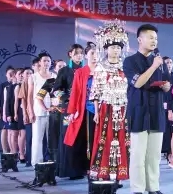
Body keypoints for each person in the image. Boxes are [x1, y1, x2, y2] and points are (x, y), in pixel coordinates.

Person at [123, 23, 171, 194]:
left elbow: (167, 84)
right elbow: (137, 83)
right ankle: (137, 189)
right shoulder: (129, 61)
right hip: (139, 111)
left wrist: (166, 86)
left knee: (154, 154)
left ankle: (153, 187)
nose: (154, 41)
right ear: (140, 39)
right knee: (138, 154)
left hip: (156, 110)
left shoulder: (159, 62)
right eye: (150, 37)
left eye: (156, 38)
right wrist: (153, 66)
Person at [89, 20, 130, 184]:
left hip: (123, 108)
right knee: (105, 139)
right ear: (106, 49)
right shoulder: (101, 67)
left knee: (123, 139)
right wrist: (96, 112)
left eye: (118, 48)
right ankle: (103, 171)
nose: (116, 50)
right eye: (113, 47)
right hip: (107, 107)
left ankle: (122, 171)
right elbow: (96, 92)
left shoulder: (126, 66)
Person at [63, 43, 98, 180]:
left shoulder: (103, 71)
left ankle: (97, 168)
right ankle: (84, 168)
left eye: (97, 53)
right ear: (86, 56)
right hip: (84, 109)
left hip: (100, 109)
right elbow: (76, 93)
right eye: (92, 53)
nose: (95, 56)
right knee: (82, 139)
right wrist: (72, 111)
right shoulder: (80, 72)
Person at [52, 44, 85, 178]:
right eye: (76, 53)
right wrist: (68, 99)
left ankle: (82, 169)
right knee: (68, 136)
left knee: (82, 137)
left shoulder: (86, 69)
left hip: (84, 108)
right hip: (68, 109)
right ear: (70, 54)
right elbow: (56, 90)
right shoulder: (64, 71)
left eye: (81, 53)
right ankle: (68, 170)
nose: (79, 55)